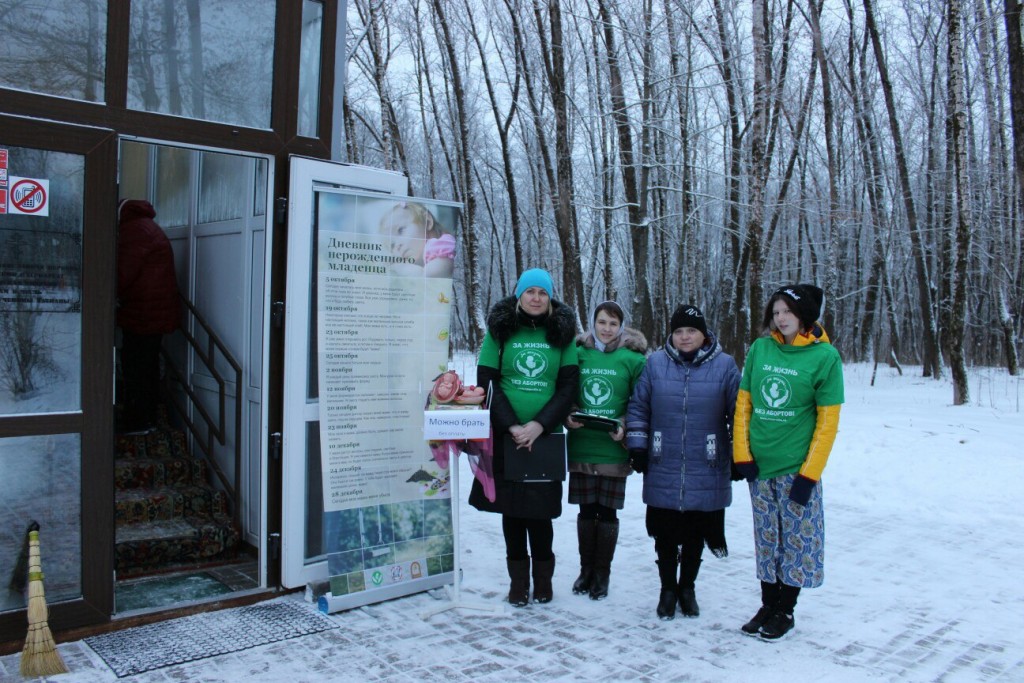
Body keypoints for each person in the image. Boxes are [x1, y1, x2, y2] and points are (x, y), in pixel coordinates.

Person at [732, 284, 844, 640]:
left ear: (804, 316)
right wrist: (742, 455)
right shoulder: (761, 349)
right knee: (767, 539)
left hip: (797, 467)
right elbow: (744, 406)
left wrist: (809, 475)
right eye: (776, 312)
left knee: (796, 541)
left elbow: (827, 424)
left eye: (787, 312)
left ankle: (786, 610)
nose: (780, 319)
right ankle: (767, 603)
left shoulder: (825, 358)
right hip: (760, 468)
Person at [468, 268, 579, 606]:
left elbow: (568, 385)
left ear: (550, 298)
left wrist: (539, 425)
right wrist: (513, 425)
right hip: (506, 437)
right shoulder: (500, 331)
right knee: (512, 513)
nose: (535, 298)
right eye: (530, 291)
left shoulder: (562, 333)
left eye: (542, 293)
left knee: (540, 514)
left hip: (544, 439)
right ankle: (518, 584)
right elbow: (487, 380)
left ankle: (543, 582)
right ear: (519, 295)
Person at [625, 304, 740, 620]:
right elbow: (638, 408)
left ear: (703, 334)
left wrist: (741, 453)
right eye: (679, 331)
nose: (685, 337)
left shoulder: (726, 366)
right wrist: (638, 445)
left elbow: (741, 413)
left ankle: (687, 587)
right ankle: (667, 589)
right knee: (665, 531)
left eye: (691, 331)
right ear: (671, 335)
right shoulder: (655, 365)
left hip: (708, 461)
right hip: (664, 458)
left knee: (695, 531)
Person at [565, 301, 646, 601]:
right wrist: (569, 414)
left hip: (613, 448)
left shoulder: (633, 360)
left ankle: (602, 573)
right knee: (586, 511)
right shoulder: (577, 353)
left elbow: (641, 403)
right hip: (582, 445)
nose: (607, 328)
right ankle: (585, 570)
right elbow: (566, 391)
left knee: (607, 512)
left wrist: (625, 426)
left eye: (613, 323)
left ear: (621, 327)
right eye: (602, 322)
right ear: (593, 323)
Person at [117, 199, 180, 433]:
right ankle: (147, 419)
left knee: (136, 368)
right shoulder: (146, 227)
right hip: (153, 312)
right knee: (148, 366)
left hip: (142, 314)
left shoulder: (134, 230)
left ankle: (139, 420)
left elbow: (123, 272)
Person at [378, 201, 455, 278]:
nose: (397, 245)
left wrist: (402, 267)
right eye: (392, 245)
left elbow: (425, 278)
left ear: (427, 222)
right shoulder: (422, 260)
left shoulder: (441, 245)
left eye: (400, 230)